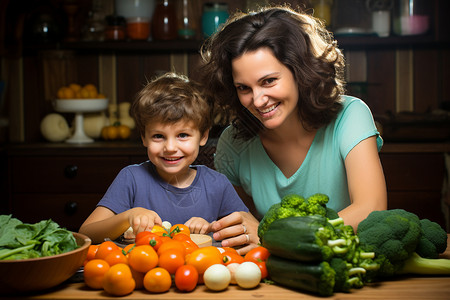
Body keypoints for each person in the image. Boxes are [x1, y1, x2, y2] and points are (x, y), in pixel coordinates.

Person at [199, 5, 388, 251]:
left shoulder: (350, 116)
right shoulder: (233, 142)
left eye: (268, 81)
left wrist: (273, 237)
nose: (257, 100)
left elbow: (370, 210)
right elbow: (239, 224)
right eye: (244, 88)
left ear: (300, 71)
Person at [79, 72, 250, 244]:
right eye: (158, 136)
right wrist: (127, 217)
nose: (170, 148)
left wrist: (212, 228)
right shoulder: (131, 179)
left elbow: (245, 229)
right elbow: (87, 233)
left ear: (203, 136)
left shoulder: (217, 184)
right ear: (144, 137)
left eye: (182, 135)